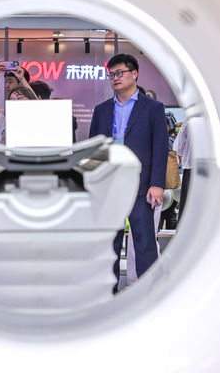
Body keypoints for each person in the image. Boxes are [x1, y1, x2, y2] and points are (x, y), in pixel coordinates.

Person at [88, 53, 169, 291]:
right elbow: (94, 149)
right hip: (109, 185)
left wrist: (157, 184)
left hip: (141, 185)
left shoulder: (153, 108)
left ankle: (148, 292)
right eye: (111, 74)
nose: (115, 78)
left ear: (134, 74)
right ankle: (107, 293)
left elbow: (160, 148)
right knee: (109, 244)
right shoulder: (102, 110)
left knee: (144, 242)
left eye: (120, 73)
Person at [0, 61, 35, 141]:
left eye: (10, 81)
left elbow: (35, 102)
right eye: (12, 100)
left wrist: (22, 79)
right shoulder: (4, 122)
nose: (7, 85)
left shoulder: (34, 118)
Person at [159, 110, 179, 229]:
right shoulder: (176, 139)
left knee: (161, 214)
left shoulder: (164, 141)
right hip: (175, 182)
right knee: (170, 214)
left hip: (166, 182)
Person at [173, 119, 192, 221]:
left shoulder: (189, 121)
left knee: (188, 202)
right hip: (211, 167)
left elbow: (178, 146)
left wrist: (181, 155)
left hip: (191, 166)